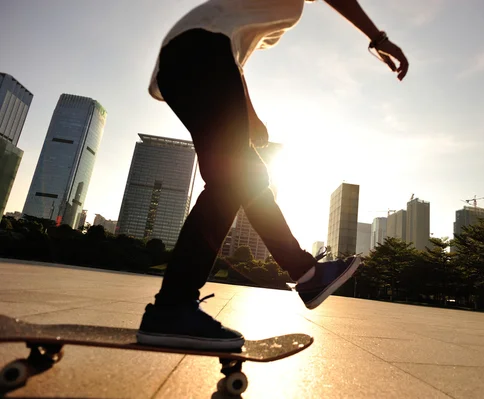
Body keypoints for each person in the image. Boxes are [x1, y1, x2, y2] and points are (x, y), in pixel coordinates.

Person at [137, 0, 409, 351]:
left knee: (248, 177)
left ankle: (306, 274)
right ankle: (172, 307)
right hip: (200, 51)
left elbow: (234, 61)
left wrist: (250, 115)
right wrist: (378, 37)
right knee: (229, 181)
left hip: (190, 60)